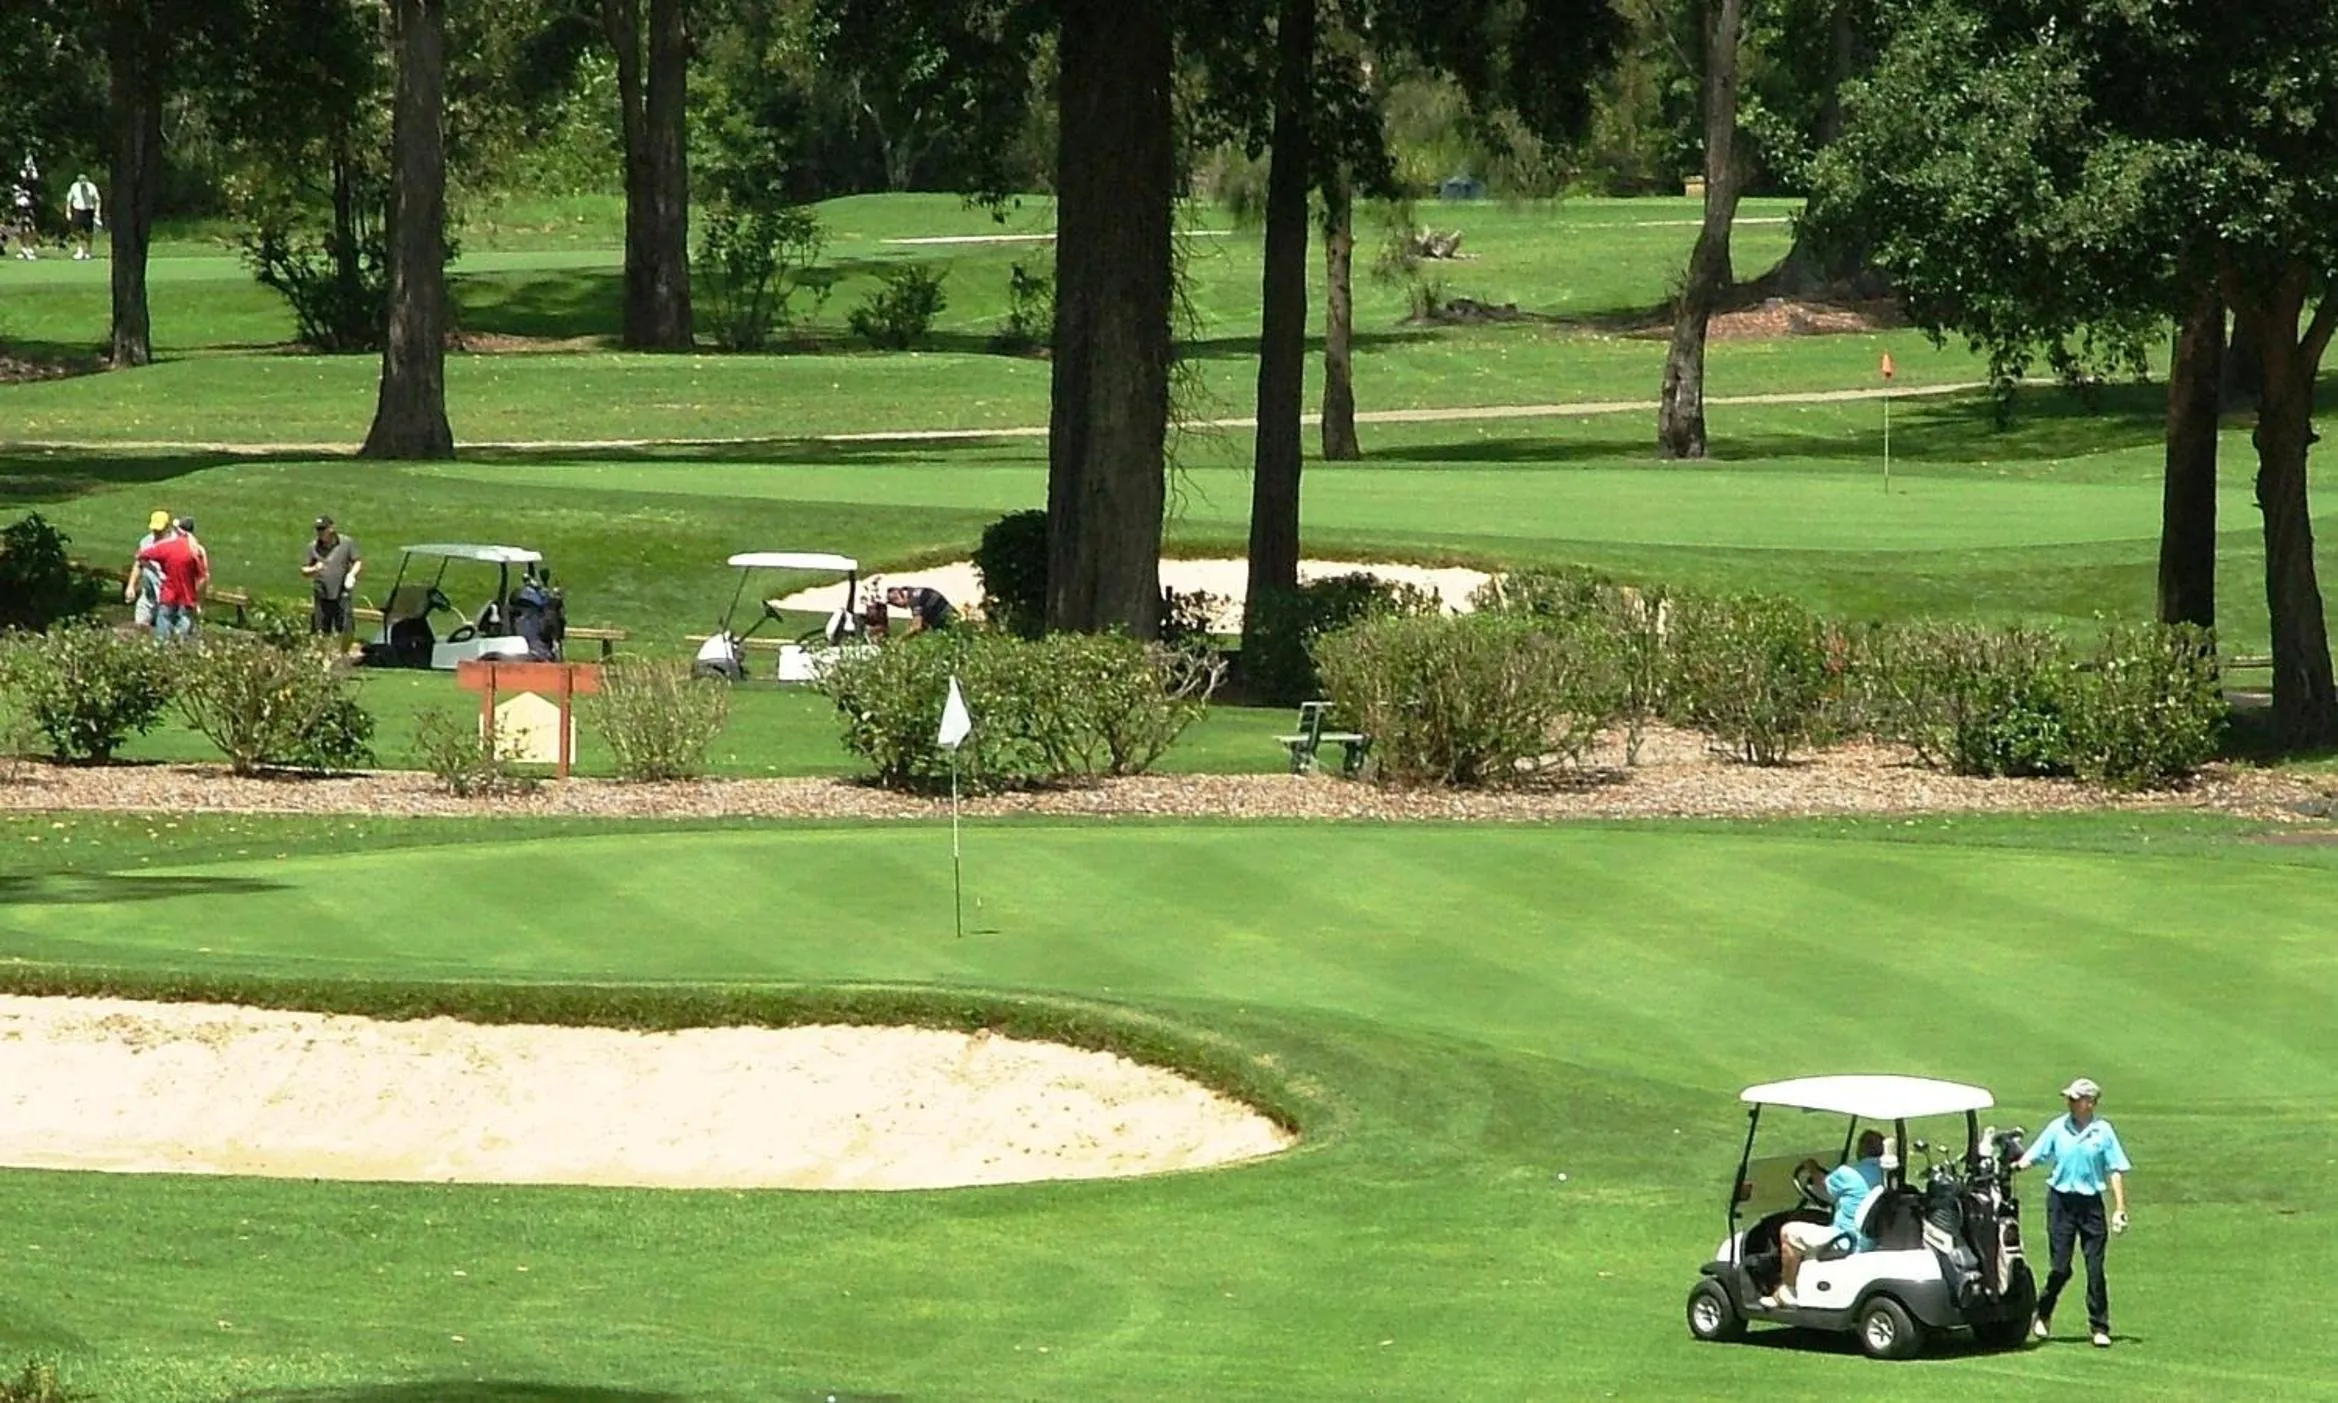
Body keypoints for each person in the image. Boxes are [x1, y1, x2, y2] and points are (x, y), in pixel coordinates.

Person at [2017, 1077, 2131, 1348]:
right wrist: (2019, 1165)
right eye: (2069, 1098)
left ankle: (2100, 1326)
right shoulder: (2058, 1127)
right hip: (2061, 1203)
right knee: (2060, 1268)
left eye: (2075, 1099)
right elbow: (2036, 1153)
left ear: (2089, 1103)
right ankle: (2043, 1311)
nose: (2070, 1102)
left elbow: (2114, 1169)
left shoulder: (2103, 1132)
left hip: (2091, 1205)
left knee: (2095, 1268)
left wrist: (2119, 1209)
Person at [1766, 1129, 1889, 1308]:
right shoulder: (1885, 1175)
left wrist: (1812, 1168)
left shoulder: (1848, 1173)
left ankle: (1788, 1291)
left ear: (1861, 1149)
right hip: (1871, 1238)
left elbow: (1824, 1189)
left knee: (1788, 1232)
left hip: (1845, 1238)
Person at [131, 516, 208, 640]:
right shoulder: (196, 551)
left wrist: (157, 569)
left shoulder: (168, 547)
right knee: (183, 632)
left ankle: (162, 650)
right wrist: (198, 600)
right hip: (187, 598)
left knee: (163, 630)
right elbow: (203, 577)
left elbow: (141, 556)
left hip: (168, 595)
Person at [300, 515, 362, 636]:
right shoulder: (312, 547)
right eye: (318, 529)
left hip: (342, 590)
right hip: (322, 591)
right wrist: (314, 569)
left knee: (344, 625)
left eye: (323, 529)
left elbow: (357, 561)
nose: (320, 533)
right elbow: (304, 570)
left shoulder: (346, 543)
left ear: (331, 529)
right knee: (321, 626)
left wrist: (352, 574)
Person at [124, 508, 171, 629]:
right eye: (154, 529)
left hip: (166, 592)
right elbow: (139, 563)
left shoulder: (174, 544)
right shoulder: (146, 542)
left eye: (159, 530)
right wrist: (131, 586)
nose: (156, 533)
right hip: (148, 593)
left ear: (167, 527)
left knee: (164, 625)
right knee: (139, 625)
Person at [885, 584, 954, 635]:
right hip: (951, 619)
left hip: (950, 624)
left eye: (895, 604)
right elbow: (923, 624)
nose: (899, 607)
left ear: (897, 598)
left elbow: (917, 626)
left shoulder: (914, 600)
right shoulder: (917, 592)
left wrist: (899, 640)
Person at [63, 172, 100, 260]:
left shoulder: (91, 187)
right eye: (81, 182)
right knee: (77, 231)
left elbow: (97, 200)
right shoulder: (74, 187)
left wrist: (97, 212)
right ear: (78, 181)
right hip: (78, 210)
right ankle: (80, 250)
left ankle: (88, 250)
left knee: (89, 233)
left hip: (88, 210)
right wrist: (68, 212)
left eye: (84, 181)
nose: (83, 184)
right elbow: (69, 200)